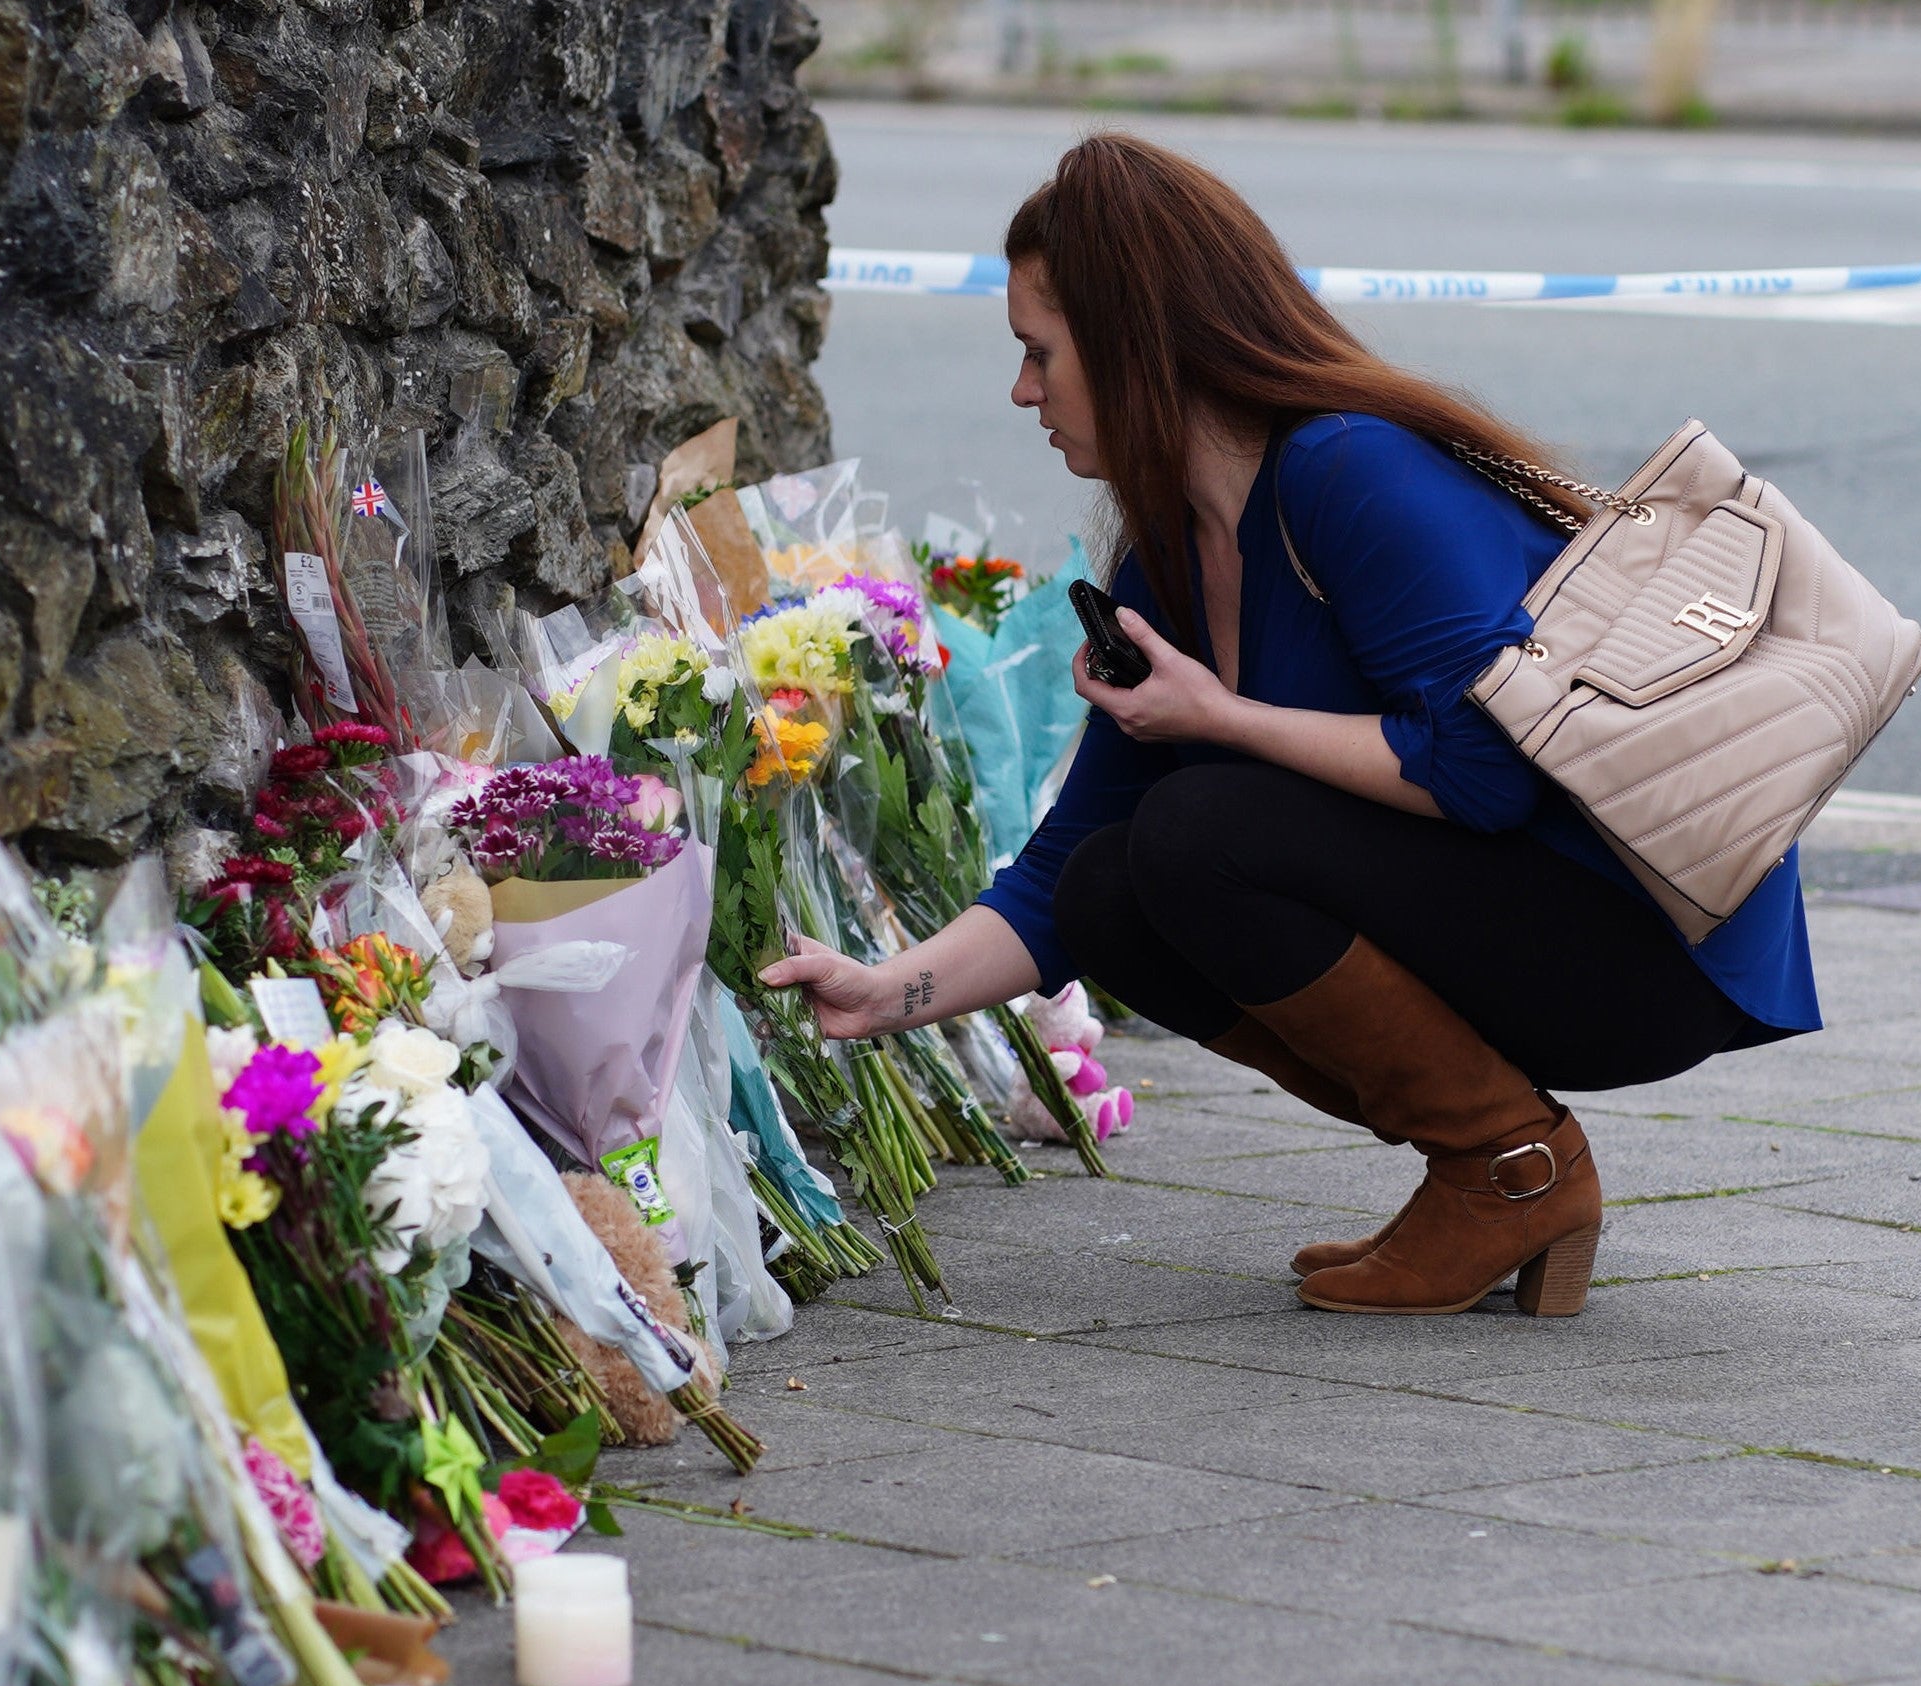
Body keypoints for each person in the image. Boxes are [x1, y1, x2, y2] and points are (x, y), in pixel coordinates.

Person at [759, 134, 1819, 1317]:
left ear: (1132, 346)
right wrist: (884, 992)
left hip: (1643, 942)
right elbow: (1065, 872)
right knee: (1118, 885)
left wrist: (1224, 717)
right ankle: (1491, 1169)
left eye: (1038, 352)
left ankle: (1511, 1172)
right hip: (1512, 922)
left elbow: (1485, 774)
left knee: (1202, 828)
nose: (1023, 392)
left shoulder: (1348, 470)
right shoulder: (1165, 561)